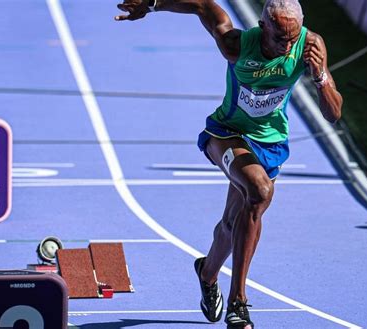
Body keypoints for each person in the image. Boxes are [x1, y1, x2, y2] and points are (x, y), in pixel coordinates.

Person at [115, 0, 342, 327]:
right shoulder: (236, 44)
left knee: (231, 226)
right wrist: (151, 5)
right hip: (226, 133)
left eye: (292, 39)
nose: (287, 47)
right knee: (259, 191)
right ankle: (239, 302)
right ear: (263, 27)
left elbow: (334, 114)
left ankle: (207, 274)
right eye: (280, 39)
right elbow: (203, 6)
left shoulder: (310, 46)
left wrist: (320, 76)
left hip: (270, 143)